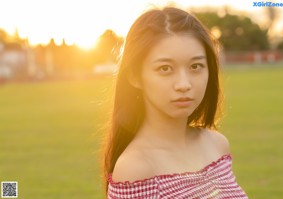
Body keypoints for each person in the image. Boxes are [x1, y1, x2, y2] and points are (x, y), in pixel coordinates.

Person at [102, 6, 248, 199]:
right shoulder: (135, 169)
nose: (184, 84)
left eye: (195, 66)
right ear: (135, 76)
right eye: (165, 68)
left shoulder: (217, 144)